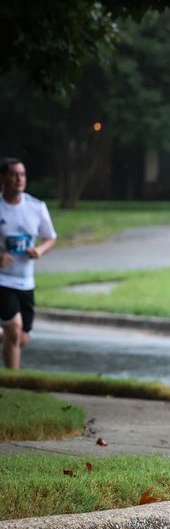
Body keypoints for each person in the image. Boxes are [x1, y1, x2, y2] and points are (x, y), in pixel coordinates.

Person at [0, 158, 55, 370]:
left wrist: (39, 250)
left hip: (26, 281)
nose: (19, 179)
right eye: (14, 174)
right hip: (3, 280)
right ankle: (12, 387)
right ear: (2, 178)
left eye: (22, 174)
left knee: (20, 338)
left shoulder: (36, 207)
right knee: (14, 329)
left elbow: (50, 237)